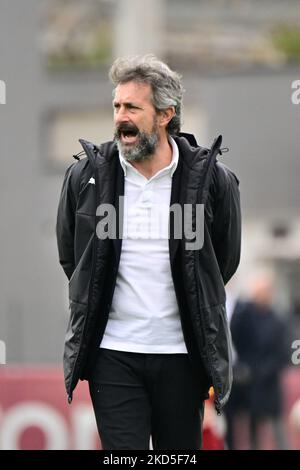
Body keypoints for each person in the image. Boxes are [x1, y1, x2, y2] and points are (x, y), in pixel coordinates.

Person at [56, 54, 241, 450]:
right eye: (117, 106)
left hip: (182, 357)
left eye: (132, 107)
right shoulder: (87, 176)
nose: (121, 117)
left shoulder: (210, 180)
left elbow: (221, 262)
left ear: (164, 114)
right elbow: (74, 259)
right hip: (113, 354)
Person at [228, 274, 290, 449]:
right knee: (252, 427)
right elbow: (236, 334)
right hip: (251, 381)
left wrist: (266, 370)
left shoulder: (277, 319)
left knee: (277, 427)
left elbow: (282, 353)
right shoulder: (247, 315)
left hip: (269, 381)